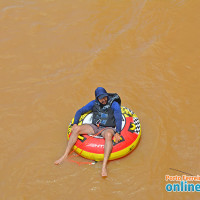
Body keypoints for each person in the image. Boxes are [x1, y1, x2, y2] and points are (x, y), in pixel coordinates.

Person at [54, 87, 122, 177]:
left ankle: (104, 166)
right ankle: (65, 155)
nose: (104, 100)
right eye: (101, 98)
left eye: (105, 97)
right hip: (95, 127)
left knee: (109, 135)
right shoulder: (94, 103)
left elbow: (118, 118)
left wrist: (118, 132)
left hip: (108, 128)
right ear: (97, 98)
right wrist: (75, 123)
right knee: (76, 129)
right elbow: (80, 111)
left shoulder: (114, 104)